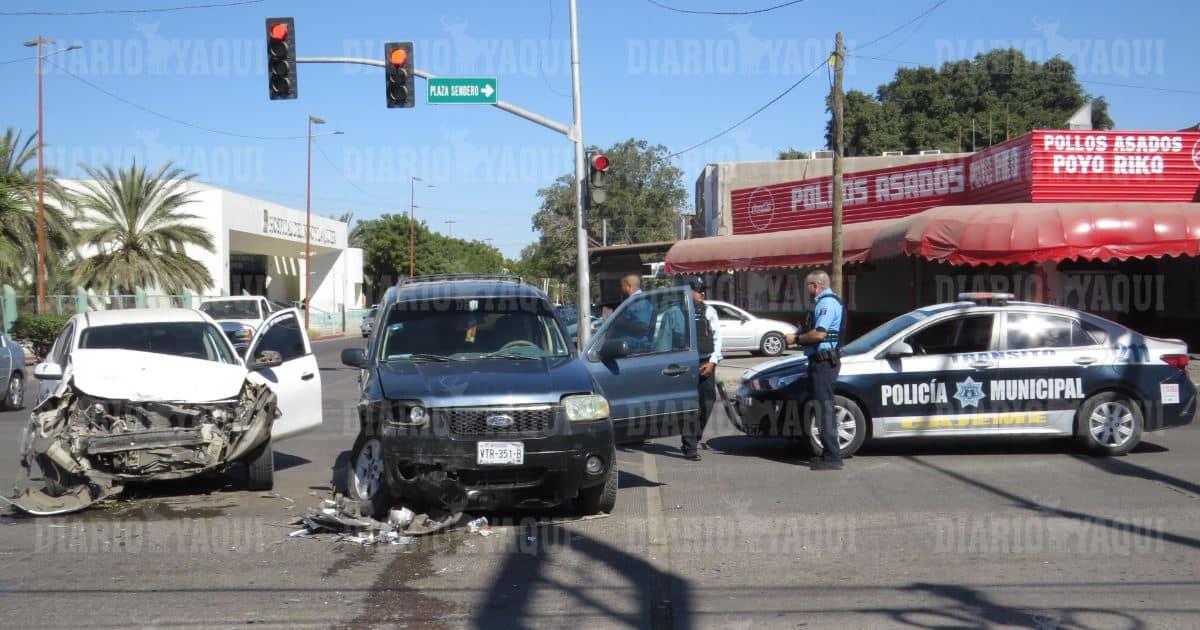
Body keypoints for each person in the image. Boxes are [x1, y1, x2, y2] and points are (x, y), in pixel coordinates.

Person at [786, 270, 845, 471]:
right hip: (820, 362)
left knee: (824, 409)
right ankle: (829, 453)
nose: (807, 290)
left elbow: (819, 334)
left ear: (814, 286)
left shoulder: (826, 303)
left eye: (808, 286)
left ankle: (833, 457)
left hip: (824, 363)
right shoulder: (824, 302)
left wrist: (796, 339)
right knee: (821, 409)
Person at [680, 276, 722, 462]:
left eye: (702, 289)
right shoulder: (678, 312)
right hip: (686, 365)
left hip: (706, 363)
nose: (702, 293)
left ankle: (695, 434)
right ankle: (689, 447)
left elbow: (717, 338)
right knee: (690, 406)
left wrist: (712, 362)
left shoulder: (709, 311)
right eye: (698, 289)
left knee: (709, 401)